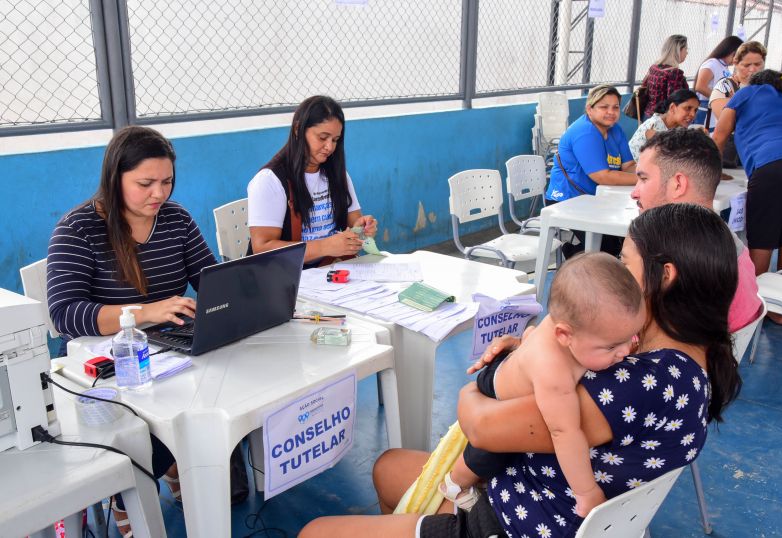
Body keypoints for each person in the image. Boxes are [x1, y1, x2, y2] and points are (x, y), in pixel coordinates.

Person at [299, 203, 742, 537]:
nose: (619, 277)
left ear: (665, 276)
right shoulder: (681, 365)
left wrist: (480, 386)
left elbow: (482, 426)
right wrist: (533, 358)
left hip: (510, 521)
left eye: (625, 263)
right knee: (389, 467)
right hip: (530, 495)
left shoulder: (637, 382)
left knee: (313, 532)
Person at [46, 126, 217, 535]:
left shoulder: (176, 219)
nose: (159, 194)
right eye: (145, 183)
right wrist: (144, 312)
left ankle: (178, 462)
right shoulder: (79, 229)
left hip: (171, 352)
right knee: (141, 428)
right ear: (115, 177)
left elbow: (210, 279)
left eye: (167, 182)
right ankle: (131, 496)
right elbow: (65, 313)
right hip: (110, 367)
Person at [439, 253, 644, 518]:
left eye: (631, 338)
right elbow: (565, 433)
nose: (625, 351)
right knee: (496, 447)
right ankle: (455, 484)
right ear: (564, 335)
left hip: (519, 361)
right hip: (497, 390)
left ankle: (526, 343)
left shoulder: (577, 323)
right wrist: (586, 492)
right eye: (613, 346)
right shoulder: (554, 374)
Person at [631, 128, 761, 332]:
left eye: (644, 178)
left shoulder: (676, 262)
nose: (634, 192)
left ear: (678, 184)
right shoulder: (728, 245)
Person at [247, 95, 377, 266]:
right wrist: (324, 247)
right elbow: (262, 249)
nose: (329, 147)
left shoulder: (338, 174)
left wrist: (363, 228)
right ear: (297, 130)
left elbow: (355, 220)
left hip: (330, 270)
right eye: (323, 138)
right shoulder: (269, 181)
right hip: (286, 278)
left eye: (335, 140)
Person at [712, 70, 782, 314]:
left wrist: (711, 174)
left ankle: (752, 309)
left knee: (762, 242)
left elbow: (719, 135)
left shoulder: (747, 93)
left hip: (771, 167)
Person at [545, 84, 636, 257]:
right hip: (567, 200)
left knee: (622, 239)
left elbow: (629, 166)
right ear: (590, 109)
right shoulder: (584, 132)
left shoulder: (615, 130)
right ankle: (573, 254)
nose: (611, 112)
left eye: (615, 107)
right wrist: (643, 180)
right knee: (607, 246)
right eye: (604, 107)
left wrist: (651, 172)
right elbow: (602, 176)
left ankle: (580, 255)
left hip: (596, 199)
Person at [628, 89, 700, 160]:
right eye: (688, 108)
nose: (693, 114)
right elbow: (672, 157)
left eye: (695, 110)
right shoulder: (654, 125)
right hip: (633, 169)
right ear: (672, 107)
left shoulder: (678, 127)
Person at [708, 41, 766, 124]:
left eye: (757, 64)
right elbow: (726, 123)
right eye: (746, 65)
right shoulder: (725, 87)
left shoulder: (769, 85)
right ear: (735, 63)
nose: (752, 69)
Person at [693, 35, 742, 127]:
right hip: (705, 107)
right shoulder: (712, 63)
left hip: (715, 107)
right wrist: (718, 98)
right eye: (737, 56)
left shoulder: (724, 67)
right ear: (731, 51)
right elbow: (700, 86)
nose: (737, 60)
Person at [642, 35, 689, 119]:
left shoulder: (654, 67)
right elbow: (674, 101)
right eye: (686, 49)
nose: (687, 52)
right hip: (663, 119)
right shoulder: (674, 72)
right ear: (678, 50)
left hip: (648, 114)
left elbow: (644, 87)